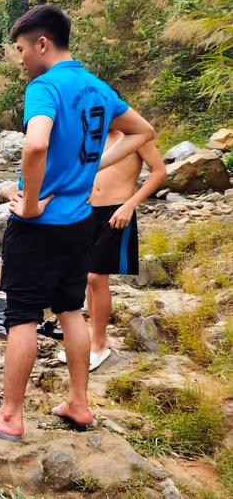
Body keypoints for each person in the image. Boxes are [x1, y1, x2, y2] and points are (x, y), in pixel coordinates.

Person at [0, 4, 155, 441]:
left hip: (40, 225)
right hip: (82, 221)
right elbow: (143, 132)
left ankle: (10, 415)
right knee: (71, 308)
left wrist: (30, 202)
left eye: (20, 49)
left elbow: (35, 147)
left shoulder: (44, 86)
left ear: (42, 43)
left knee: (22, 315)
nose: (20, 59)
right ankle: (79, 403)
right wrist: (92, 169)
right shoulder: (96, 87)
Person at [57, 129, 167, 370]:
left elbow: (159, 172)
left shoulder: (135, 135)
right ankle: (90, 341)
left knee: (97, 277)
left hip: (117, 212)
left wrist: (130, 205)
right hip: (87, 212)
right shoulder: (92, 134)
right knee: (88, 278)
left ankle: (100, 343)